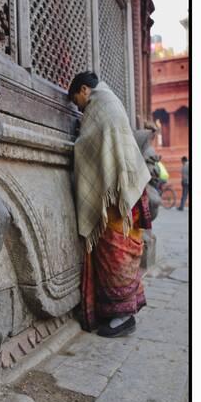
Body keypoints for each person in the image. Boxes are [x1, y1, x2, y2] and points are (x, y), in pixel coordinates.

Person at [68, 71, 152, 337]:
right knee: (124, 251)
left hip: (117, 198)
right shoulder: (111, 100)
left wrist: (77, 141)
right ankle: (123, 312)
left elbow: (87, 146)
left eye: (76, 101)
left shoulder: (99, 105)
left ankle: (123, 316)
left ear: (83, 90)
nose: (79, 108)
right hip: (128, 189)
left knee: (116, 254)